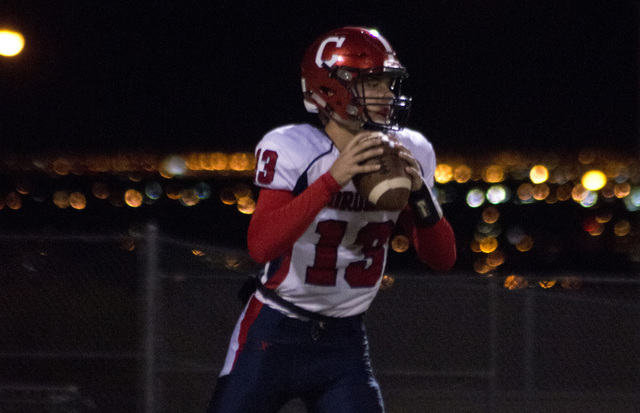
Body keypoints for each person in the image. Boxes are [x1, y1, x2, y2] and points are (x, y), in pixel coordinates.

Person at [207, 26, 456, 413]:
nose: (388, 95)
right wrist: (331, 180)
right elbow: (261, 246)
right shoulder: (293, 147)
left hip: (345, 341)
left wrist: (420, 192)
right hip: (272, 330)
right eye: (373, 83)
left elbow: (442, 259)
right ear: (329, 88)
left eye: (389, 84)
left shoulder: (410, 149)